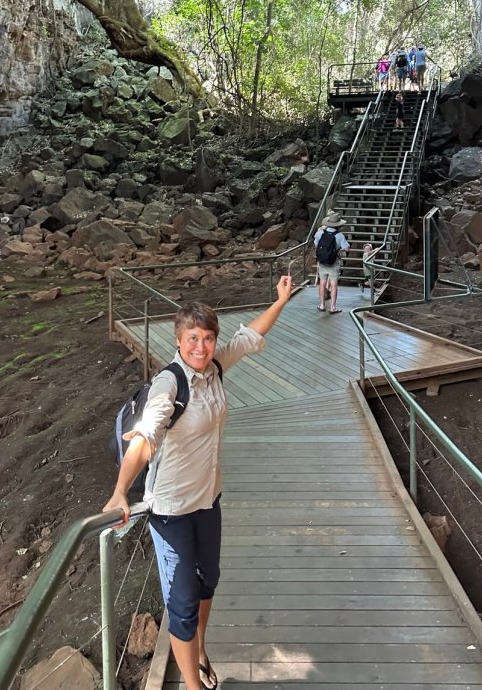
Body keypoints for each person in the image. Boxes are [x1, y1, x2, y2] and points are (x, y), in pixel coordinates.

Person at [103, 276, 294, 690]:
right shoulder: (169, 383)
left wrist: (279, 301)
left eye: (208, 338)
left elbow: (248, 337)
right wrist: (120, 491)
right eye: (193, 338)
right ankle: (192, 684)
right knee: (184, 604)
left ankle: (200, 648)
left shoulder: (215, 368)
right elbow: (147, 434)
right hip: (171, 512)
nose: (201, 347)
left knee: (209, 580)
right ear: (177, 338)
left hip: (208, 501)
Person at [314, 211, 350, 313]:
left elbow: (316, 244)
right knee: (334, 285)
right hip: (333, 262)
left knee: (322, 283)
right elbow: (347, 248)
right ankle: (333, 307)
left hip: (322, 262)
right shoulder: (340, 235)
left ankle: (321, 305)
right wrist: (338, 249)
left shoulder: (320, 233)